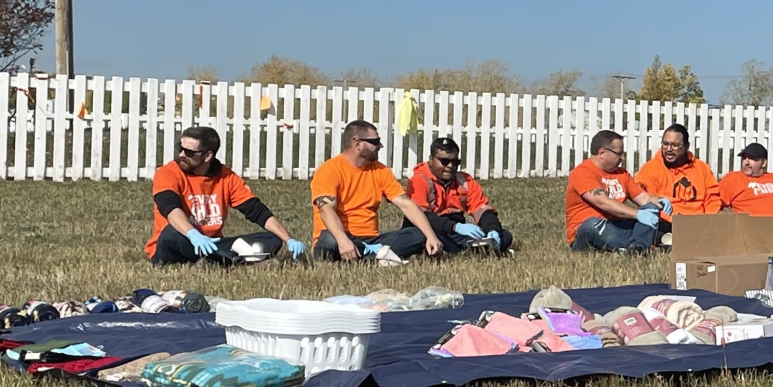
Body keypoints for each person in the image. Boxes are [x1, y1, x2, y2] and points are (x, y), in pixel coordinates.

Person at [146, 126, 306, 265]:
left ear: (207, 156)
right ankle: (231, 261)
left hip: (212, 243)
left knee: (272, 239)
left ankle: (214, 260)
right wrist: (193, 234)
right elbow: (170, 208)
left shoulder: (226, 177)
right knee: (171, 233)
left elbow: (256, 211)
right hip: (179, 241)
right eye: (179, 148)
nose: (181, 154)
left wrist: (288, 239)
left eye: (188, 152)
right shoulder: (167, 173)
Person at [310, 120, 444, 262]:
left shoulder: (381, 171)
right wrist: (343, 241)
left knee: (418, 235)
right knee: (329, 239)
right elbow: (326, 210)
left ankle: (366, 256)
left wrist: (431, 236)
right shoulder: (329, 170)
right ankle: (376, 256)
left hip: (371, 240)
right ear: (357, 144)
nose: (380, 145)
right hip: (338, 236)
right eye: (375, 141)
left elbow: (406, 204)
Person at [566, 129, 672, 252]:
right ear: (602, 153)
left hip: (618, 226)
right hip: (589, 231)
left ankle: (637, 247)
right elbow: (603, 202)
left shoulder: (622, 174)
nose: (622, 158)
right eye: (619, 153)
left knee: (650, 208)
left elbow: (644, 199)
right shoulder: (583, 172)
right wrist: (637, 214)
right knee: (591, 225)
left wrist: (659, 201)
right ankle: (648, 242)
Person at [406, 136, 513, 255]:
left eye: (455, 162)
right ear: (431, 160)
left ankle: (471, 249)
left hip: (455, 232)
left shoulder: (464, 180)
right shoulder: (419, 180)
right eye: (445, 161)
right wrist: (455, 227)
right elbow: (420, 216)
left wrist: (492, 229)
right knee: (420, 237)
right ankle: (470, 251)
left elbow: (482, 208)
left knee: (505, 236)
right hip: (430, 229)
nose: (450, 166)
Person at [635, 124, 721, 228]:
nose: (669, 149)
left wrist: (709, 220)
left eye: (675, 145)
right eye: (665, 144)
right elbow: (648, 202)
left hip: (700, 224)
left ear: (686, 146)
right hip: (666, 223)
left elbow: (712, 198)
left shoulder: (702, 168)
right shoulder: (650, 169)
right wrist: (676, 222)